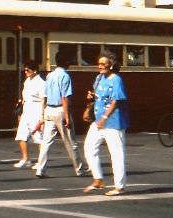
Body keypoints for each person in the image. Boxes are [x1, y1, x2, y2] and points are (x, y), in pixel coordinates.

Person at [33, 52, 87, 178]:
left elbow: (45, 97)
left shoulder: (49, 75)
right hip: (61, 110)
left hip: (49, 110)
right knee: (70, 142)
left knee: (46, 142)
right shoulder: (65, 76)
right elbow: (65, 97)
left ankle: (40, 169)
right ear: (67, 63)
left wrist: (42, 114)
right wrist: (68, 117)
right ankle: (79, 169)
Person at [82, 55, 128, 196]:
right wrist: (91, 100)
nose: (100, 66)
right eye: (99, 63)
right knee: (89, 147)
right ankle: (98, 180)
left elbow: (116, 101)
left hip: (113, 122)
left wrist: (104, 117)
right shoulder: (100, 78)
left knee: (116, 154)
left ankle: (119, 187)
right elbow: (97, 96)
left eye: (103, 64)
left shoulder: (116, 80)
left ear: (111, 65)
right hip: (99, 121)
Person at [13, 61, 46, 169]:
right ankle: (25, 159)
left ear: (35, 70)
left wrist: (42, 116)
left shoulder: (41, 83)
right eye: (25, 70)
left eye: (28, 70)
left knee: (39, 137)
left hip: (36, 109)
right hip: (26, 109)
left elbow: (43, 100)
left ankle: (41, 162)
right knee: (22, 134)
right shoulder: (27, 81)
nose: (26, 72)